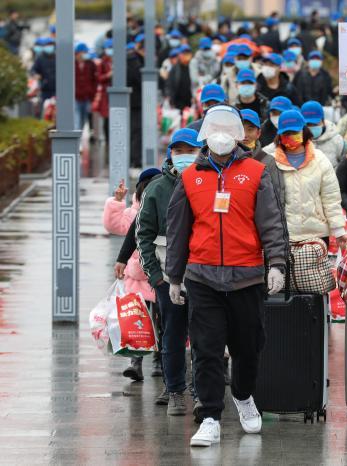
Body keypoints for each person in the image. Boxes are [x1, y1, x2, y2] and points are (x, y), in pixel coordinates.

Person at [165, 106, 287, 447]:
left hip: (246, 276)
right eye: (213, 128)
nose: (220, 135)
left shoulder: (256, 171)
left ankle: (244, 396)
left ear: (238, 134)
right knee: (206, 350)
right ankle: (210, 417)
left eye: (226, 128)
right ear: (205, 133)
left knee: (248, 348)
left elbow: (272, 221)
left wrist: (276, 263)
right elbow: (177, 230)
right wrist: (174, 277)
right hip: (202, 277)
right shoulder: (190, 178)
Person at [136, 128, 202, 413]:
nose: (185, 156)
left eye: (191, 150)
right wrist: (155, 276)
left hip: (203, 275)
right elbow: (143, 234)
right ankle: (174, 389)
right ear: (170, 154)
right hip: (166, 277)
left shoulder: (208, 182)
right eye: (179, 151)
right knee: (172, 336)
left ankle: (200, 392)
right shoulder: (156, 188)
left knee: (203, 338)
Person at [104, 169, 161, 380]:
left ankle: (159, 362)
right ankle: (135, 361)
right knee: (136, 321)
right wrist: (117, 202)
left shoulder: (165, 209)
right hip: (137, 279)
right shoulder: (132, 213)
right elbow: (113, 225)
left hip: (159, 277)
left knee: (161, 322)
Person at [272, 109, 347, 248]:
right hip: (282, 236)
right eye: (286, 133)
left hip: (316, 235)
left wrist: (338, 229)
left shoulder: (320, 159)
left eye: (295, 132)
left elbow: (331, 197)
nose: (290, 136)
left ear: (304, 131)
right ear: (279, 135)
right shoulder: (271, 162)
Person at [239, 108, 285, 201]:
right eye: (240, 129)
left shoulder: (268, 161)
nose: (245, 135)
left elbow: (277, 196)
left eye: (250, 129)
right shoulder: (226, 160)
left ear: (258, 133)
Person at [301, 100, 346, 168]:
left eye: (315, 124)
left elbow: (346, 165)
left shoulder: (337, 140)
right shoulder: (299, 142)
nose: (311, 128)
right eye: (308, 124)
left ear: (323, 121)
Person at [127, 35, 146, 167]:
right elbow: (139, 79)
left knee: (134, 130)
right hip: (135, 102)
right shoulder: (134, 60)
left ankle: (133, 158)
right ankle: (135, 159)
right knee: (136, 130)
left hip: (134, 101)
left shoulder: (134, 59)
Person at [74, 43, 97, 132]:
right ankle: (76, 142)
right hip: (75, 97)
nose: (85, 54)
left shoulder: (90, 64)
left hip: (87, 97)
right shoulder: (71, 64)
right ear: (78, 53)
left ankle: (80, 136)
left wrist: (92, 93)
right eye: (84, 52)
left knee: (84, 119)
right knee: (77, 120)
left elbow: (95, 80)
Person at [30, 37, 57, 116]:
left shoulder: (58, 57)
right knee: (44, 110)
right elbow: (33, 70)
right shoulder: (40, 58)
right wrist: (36, 75)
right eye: (48, 45)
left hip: (57, 89)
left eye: (51, 45)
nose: (50, 47)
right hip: (44, 89)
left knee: (55, 111)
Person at [93, 39, 113, 142]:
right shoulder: (102, 63)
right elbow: (99, 78)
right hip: (106, 94)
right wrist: (108, 75)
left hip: (116, 94)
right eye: (109, 48)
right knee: (107, 117)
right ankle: (108, 139)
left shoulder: (119, 61)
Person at [166, 45, 194, 111]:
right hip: (178, 102)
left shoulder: (193, 67)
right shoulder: (175, 68)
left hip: (191, 101)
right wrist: (170, 98)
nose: (186, 55)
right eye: (184, 53)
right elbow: (169, 84)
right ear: (179, 55)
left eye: (188, 53)